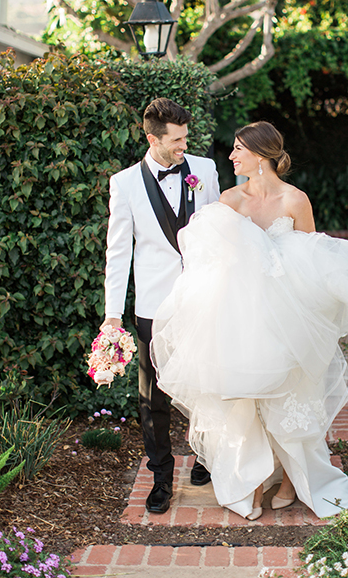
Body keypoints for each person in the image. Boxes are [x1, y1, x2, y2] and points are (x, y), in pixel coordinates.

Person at [151, 121, 348, 520]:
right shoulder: (231, 200)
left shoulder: (295, 200)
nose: (231, 156)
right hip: (245, 316)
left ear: (261, 155)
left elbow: (314, 259)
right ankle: (249, 480)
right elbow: (205, 251)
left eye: (237, 149)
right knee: (246, 401)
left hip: (290, 313)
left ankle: (289, 481)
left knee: (292, 396)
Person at [100, 97, 220, 514]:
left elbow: (218, 232)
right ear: (152, 138)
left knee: (207, 383)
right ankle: (162, 476)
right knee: (153, 396)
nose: (184, 145)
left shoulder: (204, 171)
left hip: (201, 297)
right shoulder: (125, 183)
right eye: (176, 140)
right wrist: (112, 315)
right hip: (153, 304)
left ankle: (206, 455)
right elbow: (119, 254)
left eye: (186, 137)